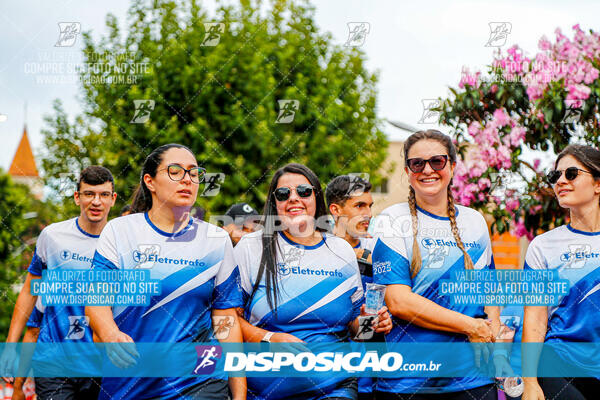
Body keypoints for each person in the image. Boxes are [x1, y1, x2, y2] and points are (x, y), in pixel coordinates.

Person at [85, 143, 246, 400]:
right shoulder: (120, 231)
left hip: (201, 379)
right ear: (150, 181)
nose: (187, 180)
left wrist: (239, 394)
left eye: (194, 173)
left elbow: (225, 319)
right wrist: (110, 333)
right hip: (131, 381)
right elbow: (95, 301)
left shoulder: (216, 239)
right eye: (175, 171)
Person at [234, 163, 392, 400]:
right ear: (274, 202)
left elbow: (356, 327)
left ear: (316, 197)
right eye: (283, 193)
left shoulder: (340, 250)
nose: (294, 198)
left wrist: (374, 323)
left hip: (335, 387)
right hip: (265, 391)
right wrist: (267, 338)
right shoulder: (251, 247)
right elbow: (225, 319)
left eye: (304, 191)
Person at [372, 130, 500, 399]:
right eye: (417, 163)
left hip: (472, 378)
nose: (427, 169)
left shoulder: (475, 221)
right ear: (408, 171)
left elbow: (489, 290)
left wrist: (492, 332)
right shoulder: (392, 219)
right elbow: (398, 301)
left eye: (437, 161)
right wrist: (471, 326)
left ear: (452, 166)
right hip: (408, 379)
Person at [1, 166, 117, 400]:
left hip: (101, 366)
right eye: (89, 194)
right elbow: (28, 292)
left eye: (104, 195)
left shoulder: (121, 243)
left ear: (113, 199)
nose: (96, 202)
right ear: (77, 197)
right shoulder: (52, 236)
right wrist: (11, 346)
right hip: (53, 361)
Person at [522, 144, 600, 400]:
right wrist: (530, 381)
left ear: (598, 184)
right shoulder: (542, 247)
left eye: (572, 174)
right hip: (558, 362)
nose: (561, 182)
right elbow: (535, 319)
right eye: (556, 176)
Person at [326, 174, 378, 400]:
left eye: (370, 206)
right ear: (336, 210)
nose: (368, 213)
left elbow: (372, 319)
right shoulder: (317, 252)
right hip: (326, 374)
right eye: (359, 206)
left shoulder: (379, 251)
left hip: (369, 378)